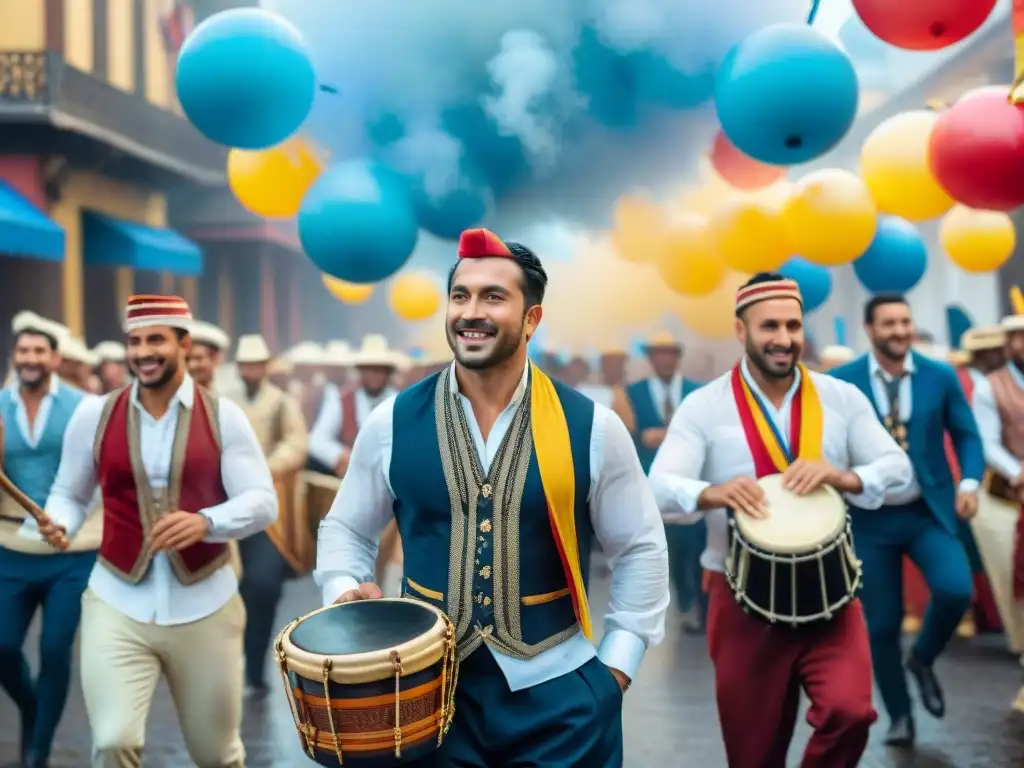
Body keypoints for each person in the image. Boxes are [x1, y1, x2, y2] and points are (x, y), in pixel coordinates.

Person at [315, 228, 669, 767]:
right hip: (423, 698)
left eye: (493, 297)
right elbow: (346, 527)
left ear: (531, 319)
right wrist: (343, 591)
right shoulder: (392, 421)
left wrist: (614, 672)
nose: (471, 312)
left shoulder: (593, 426)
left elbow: (640, 546)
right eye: (460, 295)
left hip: (560, 697)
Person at [649, 273, 911, 768]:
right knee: (754, 755)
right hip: (739, 596)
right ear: (740, 329)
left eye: (793, 325)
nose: (784, 338)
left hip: (832, 592)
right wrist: (710, 492)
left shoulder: (841, 397)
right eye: (770, 326)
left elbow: (898, 469)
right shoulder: (704, 406)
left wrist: (846, 476)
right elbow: (658, 486)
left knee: (851, 713)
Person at [40, 294, 278, 768]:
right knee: (113, 742)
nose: (143, 352)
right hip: (116, 600)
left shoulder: (224, 415)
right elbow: (69, 494)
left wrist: (207, 521)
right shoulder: (93, 414)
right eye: (135, 342)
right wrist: (60, 521)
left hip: (206, 604)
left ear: (184, 345)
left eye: (156, 340)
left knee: (216, 755)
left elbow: (262, 502)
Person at [830, 294, 983, 748]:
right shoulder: (842, 382)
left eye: (905, 321)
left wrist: (969, 483)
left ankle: (923, 657)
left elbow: (967, 434)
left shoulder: (940, 375)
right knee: (881, 625)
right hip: (868, 519)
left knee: (956, 590)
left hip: (927, 511)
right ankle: (899, 716)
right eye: (889, 323)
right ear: (870, 329)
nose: (900, 330)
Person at [0, 313, 96, 768]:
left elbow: (100, 472)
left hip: (70, 551)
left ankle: (36, 754)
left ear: (55, 359)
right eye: (23, 351)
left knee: (56, 650)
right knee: (3, 647)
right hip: (11, 547)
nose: (31, 358)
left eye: (40, 351)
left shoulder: (83, 407)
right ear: (13, 356)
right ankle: (34, 707)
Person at [230, 333, 310, 699]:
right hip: (229, 504)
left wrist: (267, 466)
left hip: (268, 513)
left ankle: (255, 668)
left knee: (263, 586)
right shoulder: (225, 401)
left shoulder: (281, 403)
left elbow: (297, 444)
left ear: (265, 367)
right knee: (229, 590)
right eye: (245, 364)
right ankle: (229, 666)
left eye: (256, 364)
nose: (250, 370)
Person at [627, 333, 705, 634]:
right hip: (649, 487)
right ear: (650, 358)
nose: (665, 359)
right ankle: (682, 598)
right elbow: (627, 436)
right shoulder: (633, 393)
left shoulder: (696, 392)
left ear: (678, 356)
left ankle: (697, 605)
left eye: (670, 353)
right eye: (659, 353)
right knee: (665, 547)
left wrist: (661, 436)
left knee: (694, 545)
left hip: (689, 482)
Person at [970, 314, 1024, 713]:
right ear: (1009, 344)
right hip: (1007, 500)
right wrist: (1018, 472)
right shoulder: (990, 386)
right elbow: (986, 442)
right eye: (1019, 338)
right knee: (1015, 586)